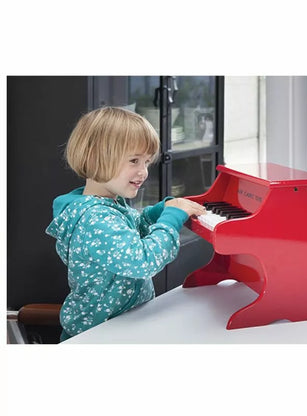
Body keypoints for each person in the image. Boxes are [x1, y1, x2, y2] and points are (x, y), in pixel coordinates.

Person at [46, 106, 206, 341]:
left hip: (122, 328)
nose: (143, 172)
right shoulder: (94, 219)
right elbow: (141, 261)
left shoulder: (103, 204)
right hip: (97, 338)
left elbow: (131, 227)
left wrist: (159, 211)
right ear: (95, 157)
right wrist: (171, 219)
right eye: (134, 160)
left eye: (147, 162)